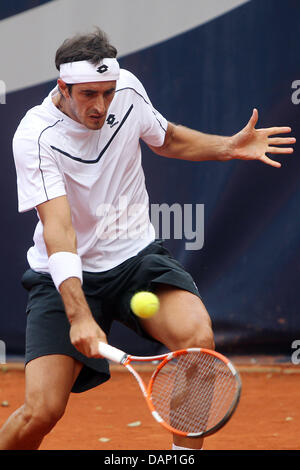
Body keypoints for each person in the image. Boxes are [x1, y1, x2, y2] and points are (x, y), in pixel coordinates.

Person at [0, 28, 295, 451]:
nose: (100, 105)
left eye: (107, 92)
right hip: (65, 275)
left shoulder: (128, 92)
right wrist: (80, 315)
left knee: (198, 340)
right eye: (88, 94)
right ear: (62, 87)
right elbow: (60, 229)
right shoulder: (35, 137)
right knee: (41, 411)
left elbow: (168, 138)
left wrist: (228, 147)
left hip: (136, 257)